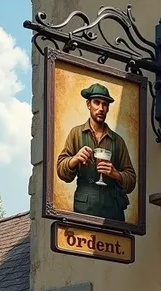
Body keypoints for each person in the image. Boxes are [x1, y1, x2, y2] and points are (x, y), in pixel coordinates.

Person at [56, 83, 136, 222]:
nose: (101, 108)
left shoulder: (118, 141)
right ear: (88, 104)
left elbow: (132, 180)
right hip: (84, 207)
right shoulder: (76, 134)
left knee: (113, 242)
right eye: (96, 103)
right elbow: (61, 172)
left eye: (105, 104)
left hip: (112, 209)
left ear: (108, 108)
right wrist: (74, 159)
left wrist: (116, 174)